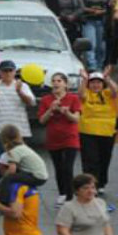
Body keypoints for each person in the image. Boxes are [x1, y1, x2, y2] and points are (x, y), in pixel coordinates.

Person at [0, 59, 36, 173]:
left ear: (14, 72)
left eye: (10, 70)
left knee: (20, 162)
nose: (8, 73)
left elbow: (31, 103)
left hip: (19, 130)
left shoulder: (22, 86)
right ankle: (0, 188)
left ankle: (18, 188)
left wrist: (20, 92)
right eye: (5, 71)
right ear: (0, 72)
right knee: (1, 162)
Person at [37, 72, 80, 206]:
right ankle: (62, 193)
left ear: (65, 84)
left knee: (68, 167)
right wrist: (51, 109)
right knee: (59, 167)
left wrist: (66, 112)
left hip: (70, 138)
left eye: (59, 81)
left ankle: (70, 195)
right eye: (54, 81)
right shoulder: (46, 99)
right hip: (53, 138)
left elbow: (76, 118)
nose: (56, 83)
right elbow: (42, 121)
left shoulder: (73, 98)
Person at [78, 69, 118, 193]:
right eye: (93, 82)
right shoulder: (87, 93)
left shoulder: (108, 93)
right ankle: (89, 184)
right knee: (90, 159)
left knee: (104, 159)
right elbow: (80, 94)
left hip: (107, 132)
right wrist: (85, 80)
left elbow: (115, 90)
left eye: (98, 82)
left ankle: (101, 183)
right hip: (88, 131)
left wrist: (107, 79)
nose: (95, 85)